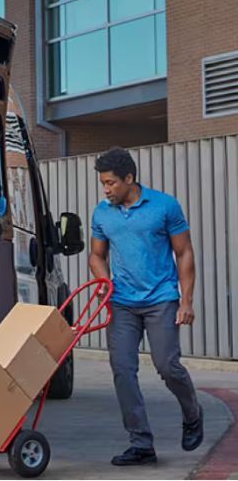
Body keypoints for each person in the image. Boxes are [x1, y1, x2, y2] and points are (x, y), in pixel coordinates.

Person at [89, 147, 203, 466]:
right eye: (103, 184)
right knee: (123, 370)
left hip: (161, 298)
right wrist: (104, 282)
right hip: (122, 301)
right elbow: (97, 255)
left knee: (167, 365)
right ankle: (141, 443)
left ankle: (192, 414)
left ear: (129, 178)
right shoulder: (102, 213)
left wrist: (186, 300)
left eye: (111, 183)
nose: (106, 189)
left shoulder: (164, 206)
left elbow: (184, 253)